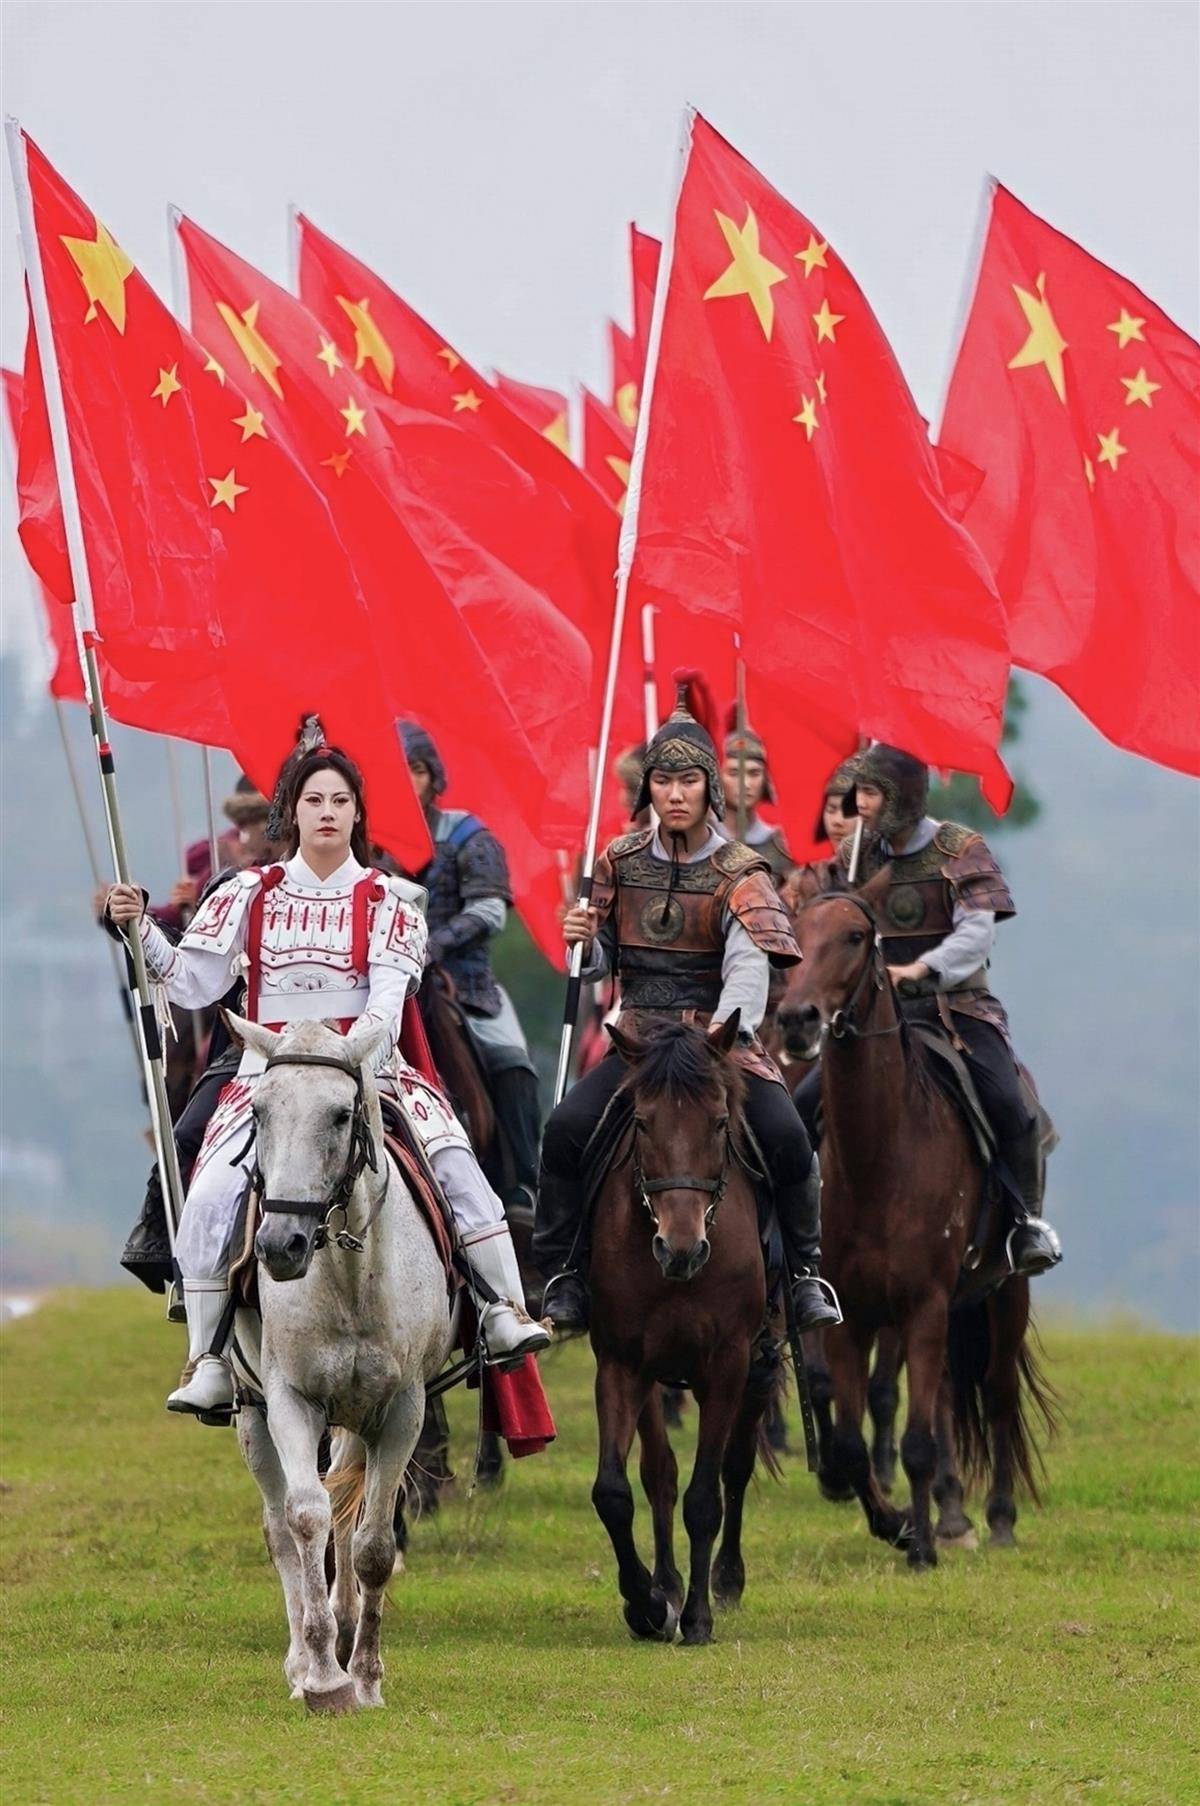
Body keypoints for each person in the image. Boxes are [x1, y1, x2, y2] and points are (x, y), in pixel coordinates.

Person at [106, 740, 550, 1420]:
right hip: (267, 1075)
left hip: (367, 1071)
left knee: (457, 1165)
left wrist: (342, 1060)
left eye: (340, 800)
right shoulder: (246, 894)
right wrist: (141, 929)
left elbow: (387, 1003)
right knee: (211, 1194)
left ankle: (500, 1310)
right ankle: (209, 1359)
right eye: (314, 799)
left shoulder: (390, 900)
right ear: (292, 811)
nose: (327, 812)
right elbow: (193, 982)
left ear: (357, 814)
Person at [533, 684, 842, 1334]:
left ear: (710, 790)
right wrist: (582, 941)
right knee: (563, 1129)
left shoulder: (742, 870)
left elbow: (748, 968)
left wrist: (719, 1037)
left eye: (688, 781)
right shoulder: (617, 860)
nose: (675, 794)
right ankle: (562, 1273)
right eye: (663, 781)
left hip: (719, 1043)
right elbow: (600, 965)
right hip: (640, 1041)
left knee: (790, 1139)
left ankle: (805, 1276)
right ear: (648, 788)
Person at [840, 742, 1062, 1279]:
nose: (858, 804)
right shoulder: (855, 854)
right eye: (858, 792)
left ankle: (1024, 1224)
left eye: (869, 793)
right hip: (874, 1017)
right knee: (802, 1107)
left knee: (1011, 1105)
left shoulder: (960, 848)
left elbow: (976, 933)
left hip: (956, 1011)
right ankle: (799, 1244)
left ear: (901, 797)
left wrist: (922, 968)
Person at [400, 723, 541, 1216]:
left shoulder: (468, 836)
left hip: (463, 985)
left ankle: (523, 1186)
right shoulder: (365, 843)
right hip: (381, 983)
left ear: (433, 776)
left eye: (416, 770)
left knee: (513, 1063)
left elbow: (489, 910)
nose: (408, 782)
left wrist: (431, 946)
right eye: (397, 772)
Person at [720, 720, 794, 880]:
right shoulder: (698, 840)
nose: (745, 784)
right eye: (734, 773)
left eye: (754, 773)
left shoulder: (781, 848)